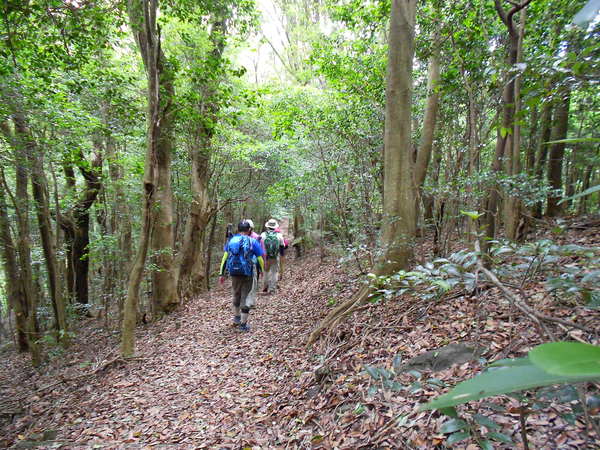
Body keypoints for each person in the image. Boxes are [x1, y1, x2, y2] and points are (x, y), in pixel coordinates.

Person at [219, 221, 264, 331]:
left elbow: (225, 258)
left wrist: (222, 273)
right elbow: (259, 258)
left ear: (238, 229)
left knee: (236, 293)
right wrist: (261, 270)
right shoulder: (253, 241)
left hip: (234, 273)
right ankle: (243, 325)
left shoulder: (231, 241)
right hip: (247, 272)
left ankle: (236, 318)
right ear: (249, 230)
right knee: (245, 296)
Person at [244, 219, 265, 309]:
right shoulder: (257, 237)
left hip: (244, 264)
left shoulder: (238, 237)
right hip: (253, 263)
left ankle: (246, 302)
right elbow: (262, 253)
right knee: (253, 282)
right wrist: (262, 267)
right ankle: (250, 302)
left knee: (248, 283)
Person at [261, 219, 285, 294]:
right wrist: (281, 257)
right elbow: (282, 247)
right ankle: (272, 289)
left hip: (265, 257)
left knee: (266, 271)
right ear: (275, 227)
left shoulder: (262, 235)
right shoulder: (279, 235)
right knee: (274, 272)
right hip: (275, 257)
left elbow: (260, 246)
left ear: (267, 226)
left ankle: (265, 287)